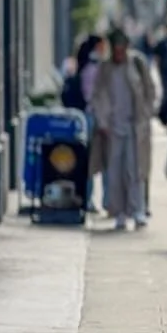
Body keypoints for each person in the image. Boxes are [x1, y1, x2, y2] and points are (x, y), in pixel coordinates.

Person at [89, 30, 156, 230]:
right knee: (115, 172)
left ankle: (138, 210)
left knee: (135, 170)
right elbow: (98, 95)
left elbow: (149, 91)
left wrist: (146, 115)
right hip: (112, 128)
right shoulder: (105, 69)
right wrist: (103, 122)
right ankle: (118, 212)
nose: (119, 53)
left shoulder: (137, 64)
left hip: (135, 126)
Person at [62, 35, 104, 213]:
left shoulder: (82, 67)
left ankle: (85, 198)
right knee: (90, 161)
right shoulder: (94, 70)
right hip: (90, 117)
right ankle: (88, 199)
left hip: (82, 117)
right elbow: (92, 96)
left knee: (84, 159)